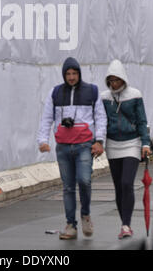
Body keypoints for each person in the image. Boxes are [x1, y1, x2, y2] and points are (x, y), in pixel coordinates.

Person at [37, 57, 107, 240]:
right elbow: (46, 118)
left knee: (84, 180)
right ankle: (70, 225)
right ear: (64, 75)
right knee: (68, 187)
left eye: (74, 73)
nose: (71, 77)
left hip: (85, 145)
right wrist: (42, 140)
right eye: (68, 74)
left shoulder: (92, 91)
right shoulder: (55, 92)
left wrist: (99, 141)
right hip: (63, 146)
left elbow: (100, 117)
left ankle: (85, 215)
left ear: (79, 73)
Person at [101, 59, 151, 239]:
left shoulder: (135, 94)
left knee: (126, 183)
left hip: (132, 143)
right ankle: (125, 225)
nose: (114, 83)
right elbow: (101, 121)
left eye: (117, 80)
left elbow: (142, 120)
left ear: (123, 79)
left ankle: (126, 225)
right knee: (118, 187)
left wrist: (145, 143)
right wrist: (98, 141)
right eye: (111, 80)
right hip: (112, 144)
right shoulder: (104, 97)